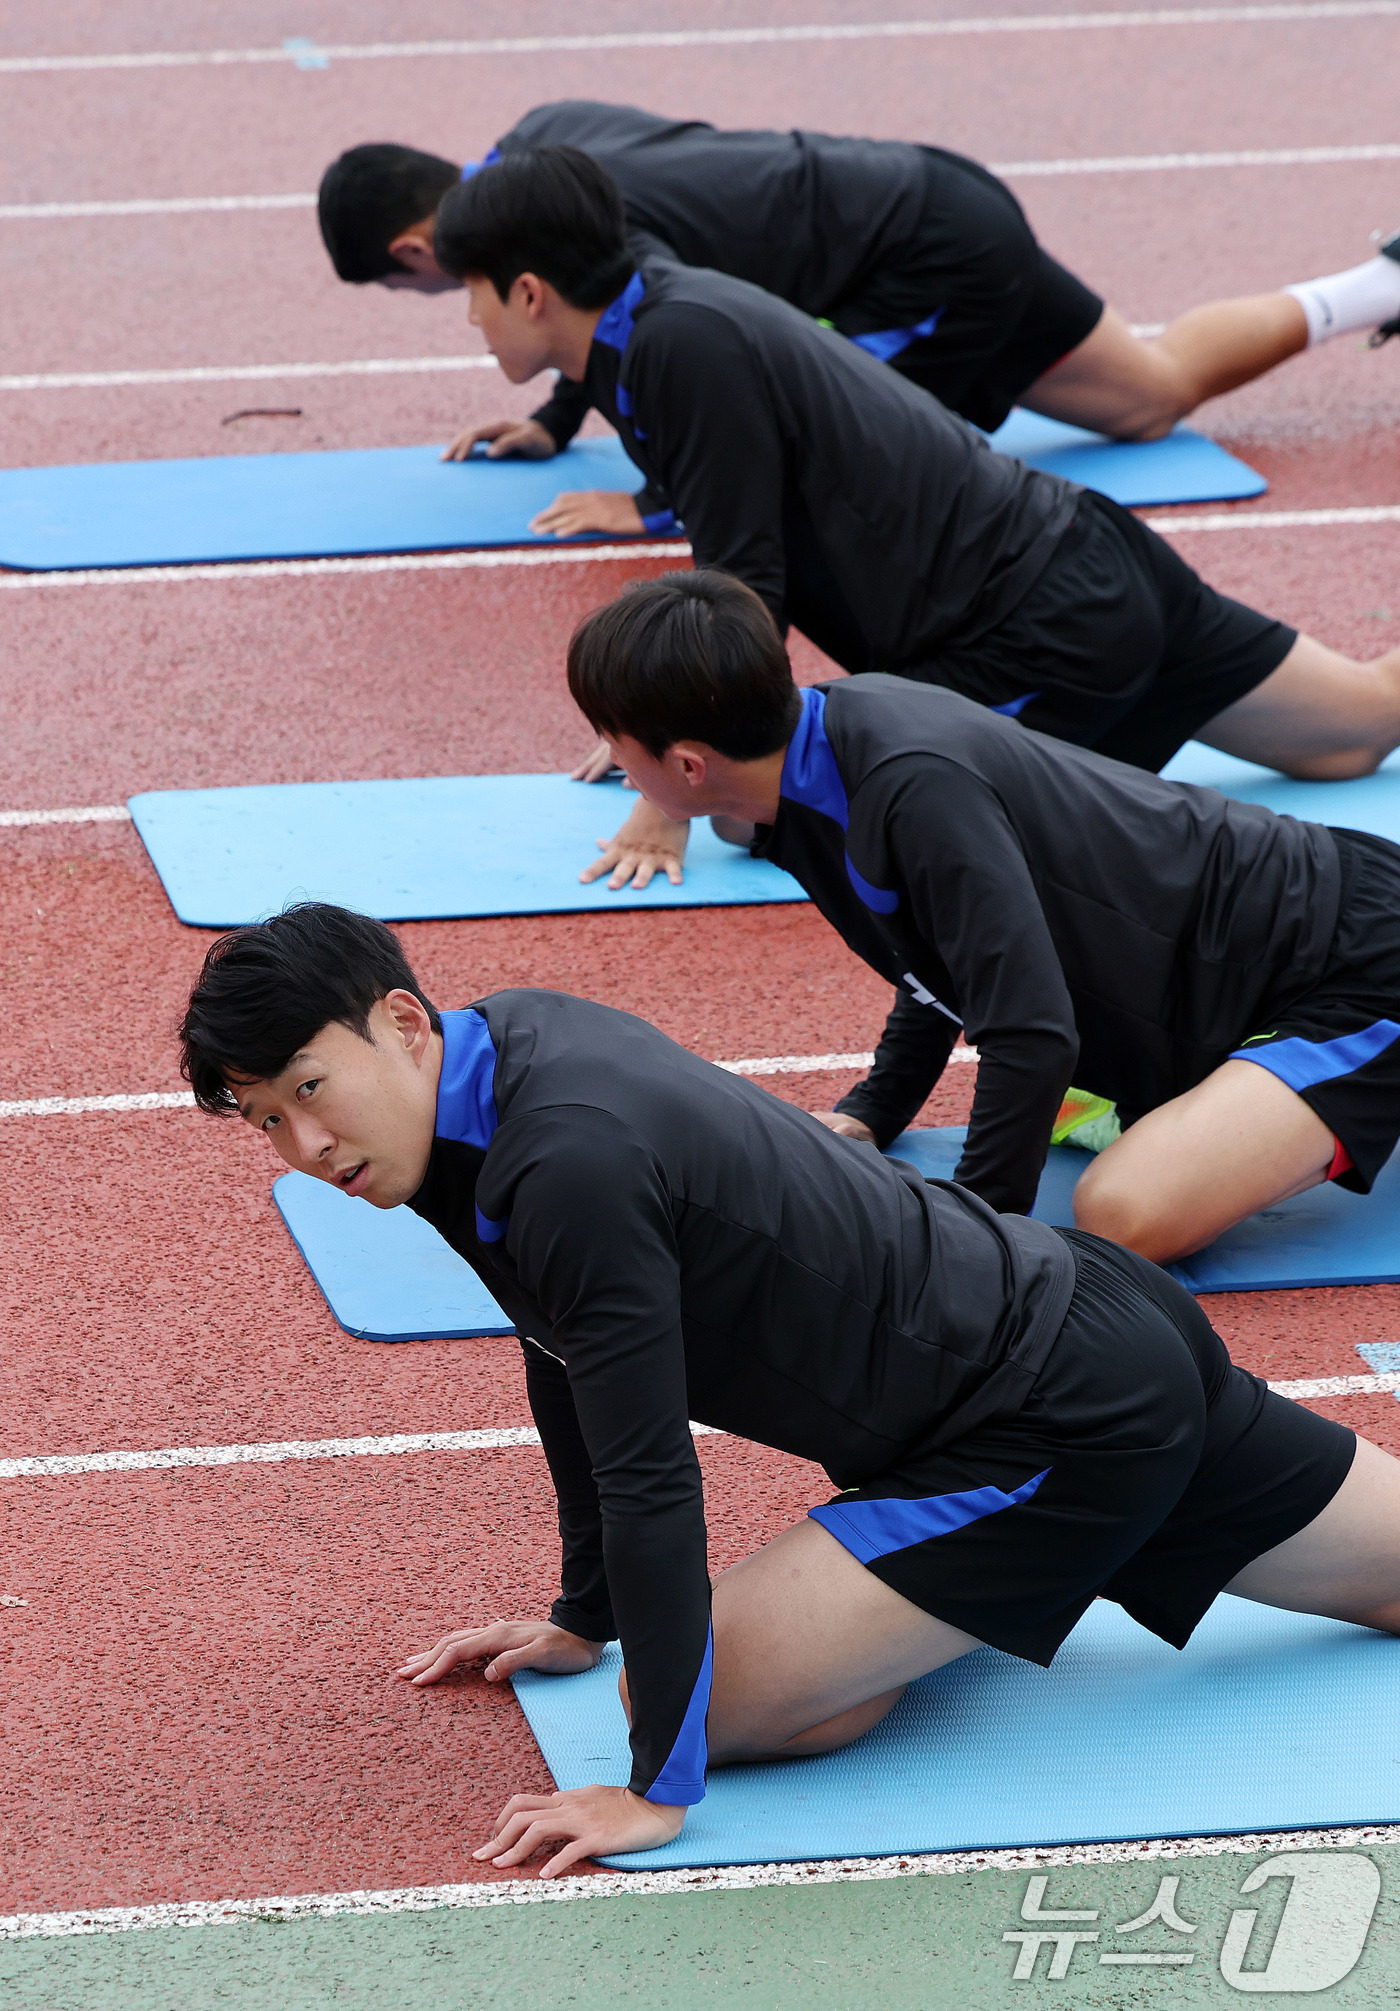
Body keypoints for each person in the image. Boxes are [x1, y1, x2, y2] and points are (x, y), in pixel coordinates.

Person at [179, 901, 1400, 1876]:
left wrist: (658, 1779)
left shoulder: (567, 1163)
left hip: (1048, 1424)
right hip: (1097, 1322)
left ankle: (1018, 1563)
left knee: (726, 1698)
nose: (304, 1147)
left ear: (400, 1019)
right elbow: (552, 1344)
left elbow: (648, 1470)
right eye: (261, 1118)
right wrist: (582, 1608)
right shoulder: (493, 1058)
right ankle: (1018, 1561)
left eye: (307, 1088)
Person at [428, 145, 1400, 880]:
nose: (467, 318)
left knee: (747, 812)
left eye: (469, 293)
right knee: (1357, 727)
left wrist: (666, 793)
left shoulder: (681, 351)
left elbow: (741, 592)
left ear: (527, 290)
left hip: (1027, 635)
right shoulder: (657, 311)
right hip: (1081, 557)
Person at [566, 567, 1400, 1264]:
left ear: (688, 763)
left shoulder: (909, 785)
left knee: (1126, 1210)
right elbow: (935, 952)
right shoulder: (813, 762)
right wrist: (876, 1108)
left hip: (1356, 964)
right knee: (1085, 1116)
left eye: (615, 740)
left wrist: (971, 1242)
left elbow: (1032, 1033)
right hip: (1225, 976)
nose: (615, 761)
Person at [317, 108, 1400, 539]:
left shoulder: (606, 253)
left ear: (420, 252)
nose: (462, 310)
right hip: (927, 198)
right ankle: (1378, 286)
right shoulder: (544, 146)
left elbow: (685, 350)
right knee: (1149, 394)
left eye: (443, 291)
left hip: (921, 261)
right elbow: (588, 302)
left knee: (852, 458)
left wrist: (649, 500)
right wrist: (557, 420)